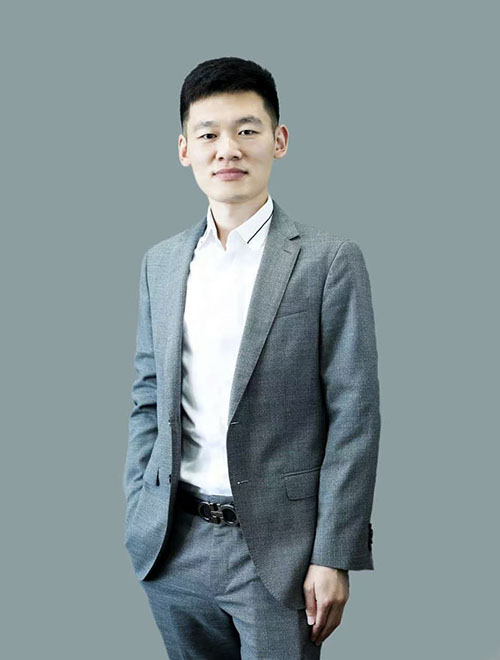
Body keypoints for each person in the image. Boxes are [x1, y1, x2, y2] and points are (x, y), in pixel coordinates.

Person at [123, 56, 381, 659]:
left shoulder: (328, 261)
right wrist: (140, 503)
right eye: (208, 134)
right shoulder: (161, 263)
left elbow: (355, 415)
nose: (228, 149)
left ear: (279, 140)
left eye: (247, 130)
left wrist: (332, 553)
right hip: (172, 544)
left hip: (280, 553)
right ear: (184, 149)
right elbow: (148, 394)